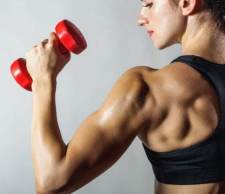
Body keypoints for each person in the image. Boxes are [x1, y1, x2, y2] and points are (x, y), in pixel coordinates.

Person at [25, 0, 225, 193]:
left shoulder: (148, 88)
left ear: (187, 2)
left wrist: (42, 79)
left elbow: (52, 182)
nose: (140, 19)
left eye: (149, 4)